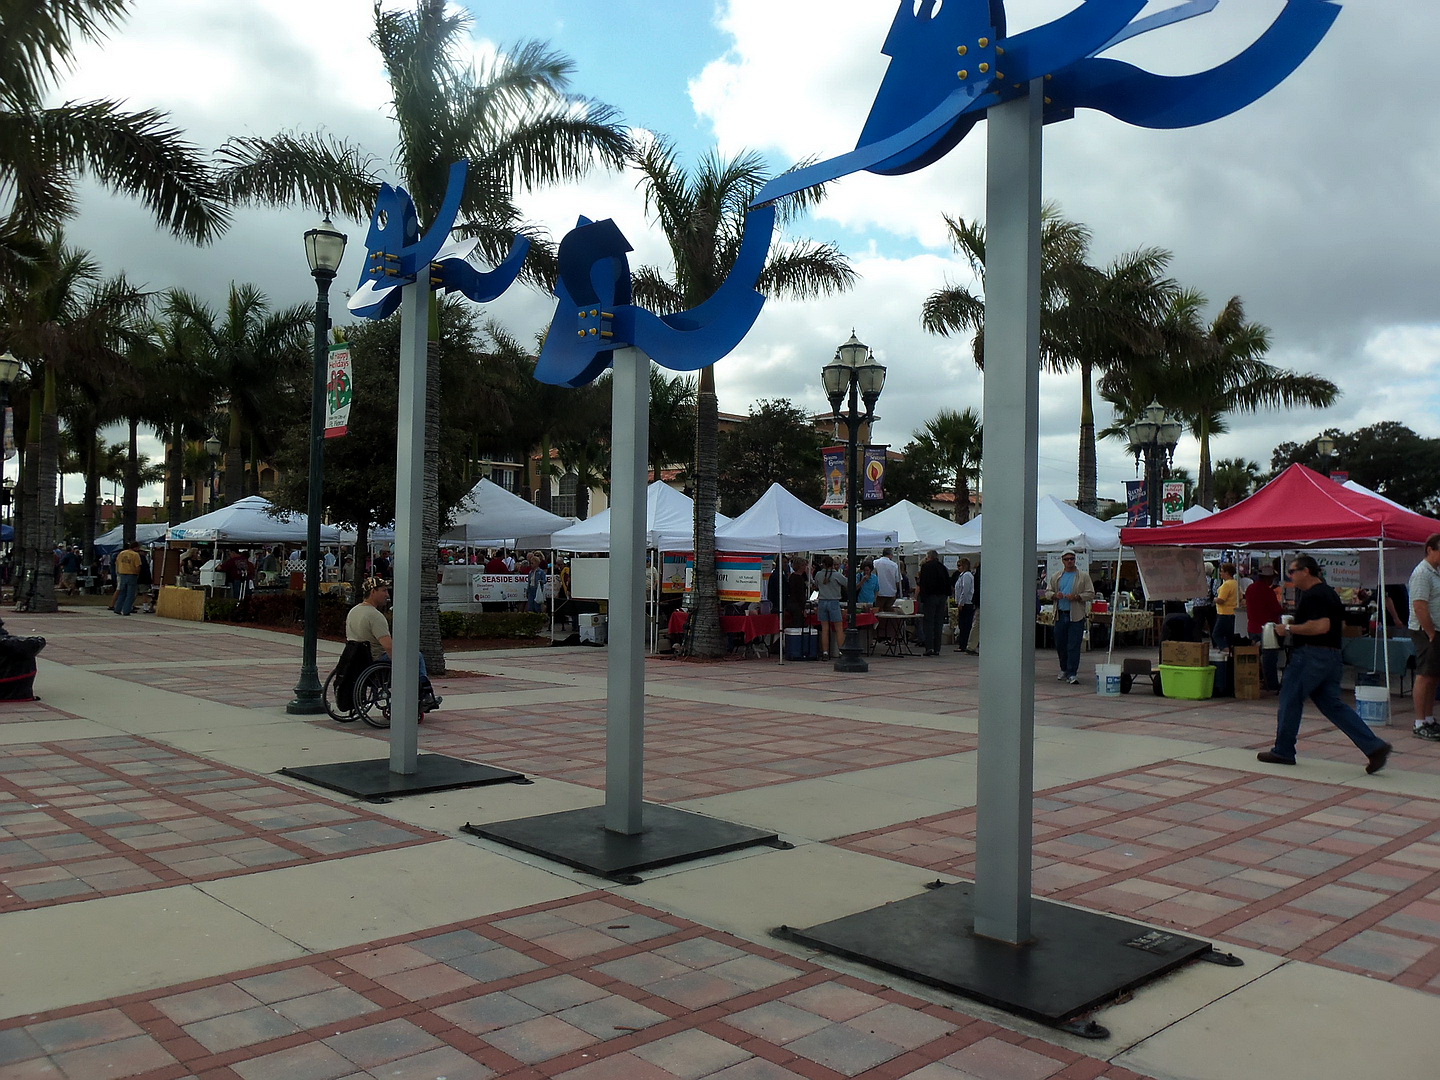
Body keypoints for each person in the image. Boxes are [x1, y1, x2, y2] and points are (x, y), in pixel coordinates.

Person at [1258, 555, 1391, 773]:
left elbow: (1322, 626)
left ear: (1306, 571)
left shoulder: (1314, 595)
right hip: (1332, 655)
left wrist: (1289, 628)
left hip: (1311, 655)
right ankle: (1373, 746)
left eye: (1292, 571)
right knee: (1333, 705)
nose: (1290, 577)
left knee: (1290, 699)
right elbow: (1340, 625)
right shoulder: (1329, 593)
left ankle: (1283, 750)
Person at [345, 577, 440, 713]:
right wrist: (401, 665)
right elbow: (388, 646)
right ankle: (425, 694)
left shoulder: (354, 611)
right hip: (376, 661)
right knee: (416, 656)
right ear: (373, 591)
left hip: (358, 661)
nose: (387, 595)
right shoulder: (374, 616)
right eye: (384, 590)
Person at [1407, 534, 1440, 742]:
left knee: (1433, 675)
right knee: (1425, 675)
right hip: (1425, 630)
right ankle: (1419, 722)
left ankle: (1428, 718)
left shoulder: (1435, 573)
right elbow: (1419, 605)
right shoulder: (1422, 573)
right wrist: (1430, 632)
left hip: (1435, 629)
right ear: (1430, 550)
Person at [1045, 550, 1093, 685]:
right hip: (1060, 614)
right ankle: (1064, 669)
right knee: (1060, 644)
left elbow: (1090, 593)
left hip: (1076, 616)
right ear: (1062, 561)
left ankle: (1072, 673)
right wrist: (1055, 595)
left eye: (1072, 558)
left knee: (1074, 645)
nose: (1070, 561)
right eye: (1067, 559)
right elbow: (1048, 592)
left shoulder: (1083, 576)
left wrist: (1077, 597)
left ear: (1075, 560)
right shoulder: (1056, 576)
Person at [1245, 565, 1284, 692]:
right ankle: (1271, 685)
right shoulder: (1268, 592)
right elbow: (1276, 609)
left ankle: (1258, 680)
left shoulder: (1250, 588)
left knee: (1256, 658)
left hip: (1252, 627)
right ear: (1268, 578)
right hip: (1267, 630)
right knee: (1269, 659)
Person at [914, 549, 950, 656]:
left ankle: (929, 647)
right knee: (938, 622)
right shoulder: (943, 567)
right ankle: (937, 648)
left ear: (929, 557)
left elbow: (923, 583)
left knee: (929, 622)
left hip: (930, 597)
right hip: (942, 597)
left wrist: (923, 598)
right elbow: (948, 583)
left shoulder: (926, 567)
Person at [814, 554, 844, 660]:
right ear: (833, 564)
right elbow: (847, 583)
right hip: (834, 601)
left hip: (822, 601)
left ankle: (825, 652)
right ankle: (841, 651)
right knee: (838, 628)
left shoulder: (818, 574)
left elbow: (816, 586)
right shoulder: (837, 575)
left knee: (825, 628)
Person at [952, 558, 977, 655]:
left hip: (966, 603)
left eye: (959, 565)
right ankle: (962, 644)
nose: (958, 568)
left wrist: (961, 602)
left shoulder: (966, 575)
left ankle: (963, 644)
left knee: (965, 625)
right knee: (963, 624)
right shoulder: (962, 575)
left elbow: (965, 590)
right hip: (964, 602)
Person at [1212, 562, 1239, 647]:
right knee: (1229, 636)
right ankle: (1230, 650)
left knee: (1216, 634)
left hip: (1224, 613)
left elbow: (1221, 600)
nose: (1220, 573)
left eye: (1222, 571)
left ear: (1227, 573)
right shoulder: (1235, 583)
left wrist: (1214, 599)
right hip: (1233, 612)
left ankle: (1225, 649)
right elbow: (1241, 596)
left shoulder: (1226, 585)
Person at [113, 541, 142, 616]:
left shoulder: (121, 553)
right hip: (131, 574)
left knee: (122, 592)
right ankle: (126, 610)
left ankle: (118, 608)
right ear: (136, 547)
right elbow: (138, 566)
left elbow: (117, 563)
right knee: (130, 594)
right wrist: (137, 574)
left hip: (122, 574)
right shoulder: (135, 555)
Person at [872, 548, 900, 612]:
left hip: (879, 592)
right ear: (890, 555)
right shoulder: (894, 565)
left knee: (878, 612)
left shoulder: (875, 563)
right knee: (889, 613)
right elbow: (898, 580)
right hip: (891, 593)